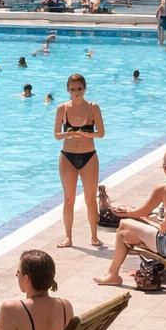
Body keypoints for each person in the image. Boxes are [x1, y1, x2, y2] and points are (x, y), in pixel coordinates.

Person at [94, 151, 166, 289]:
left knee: (123, 225)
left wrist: (132, 214)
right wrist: (145, 217)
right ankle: (116, 271)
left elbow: (164, 229)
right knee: (127, 233)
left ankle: (112, 275)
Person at [53, 73, 104, 248]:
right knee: (68, 199)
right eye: (73, 89)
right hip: (67, 157)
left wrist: (87, 134)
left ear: (85, 88)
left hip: (89, 156)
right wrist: (70, 133)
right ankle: (68, 236)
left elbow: (101, 133)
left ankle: (94, 235)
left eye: (79, 89)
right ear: (68, 89)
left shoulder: (93, 107)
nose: (76, 93)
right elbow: (57, 135)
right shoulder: (62, 109)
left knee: (91, 199)